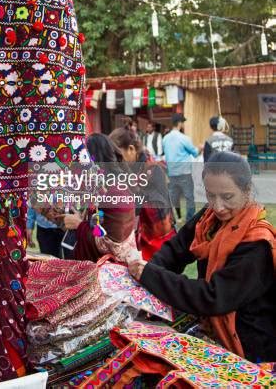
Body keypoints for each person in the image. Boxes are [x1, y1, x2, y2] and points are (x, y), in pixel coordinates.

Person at [129, 152, 276, 363]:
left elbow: (213, 297)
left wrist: (151, 275)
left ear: (247, 191)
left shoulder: (257, 244)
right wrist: (148, 271)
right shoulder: (209, 219)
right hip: (213, 324)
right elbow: (177, 249)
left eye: (227, 197)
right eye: (210, 195)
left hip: (250, 345)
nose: (217, 206)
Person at [63, 133, 139, 263]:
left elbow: (113, 245)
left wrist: (79, 225)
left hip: (111, 272)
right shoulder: (102, 188)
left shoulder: (117, 193)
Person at [109, 126, 176, 261]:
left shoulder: (153, 169)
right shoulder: (130, 170)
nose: (117, 161)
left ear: (132, 149)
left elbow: (159, 208)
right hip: (139, 238)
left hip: (157, 239)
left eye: (119, 156)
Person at [162, 113, 202, 222]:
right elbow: (194, 153)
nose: (183, 124)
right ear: (179, 123)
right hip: (184, 173)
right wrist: (200, 148)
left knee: (174, 198)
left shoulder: (165, 139)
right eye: (183, 122)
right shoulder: (184, 138)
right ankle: (189, 221)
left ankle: (177, 217)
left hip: (172, 173)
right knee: (189, 198)